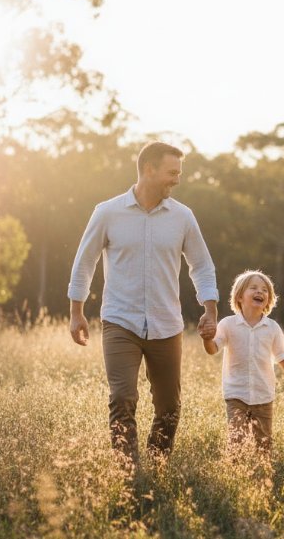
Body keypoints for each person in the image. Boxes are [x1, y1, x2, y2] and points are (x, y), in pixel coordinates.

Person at [67, 141, 219, 469]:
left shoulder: (182, 217)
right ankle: (128, 475)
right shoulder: (107, 212)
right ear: (149, 169)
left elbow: (202, 266)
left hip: (167, 324)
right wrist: (76, 312)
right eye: (172, 173)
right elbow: (84, 263)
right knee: (122, 398)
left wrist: (210, 308)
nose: (177, 180)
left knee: (169, 407)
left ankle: (157, 468)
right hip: (120, 321)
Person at [202, 270, 284, 455]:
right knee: (236, 441)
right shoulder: (228, 324)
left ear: (269, 299)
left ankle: (262, 470)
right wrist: (206, 338)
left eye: (265, 290)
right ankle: (234, 468)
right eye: (254, 288)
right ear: (240, 296)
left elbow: (283, 356)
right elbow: (213, 349)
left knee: (263, 445)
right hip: (236, 394)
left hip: (263, 395)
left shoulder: (272, 328)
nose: (260, 292)